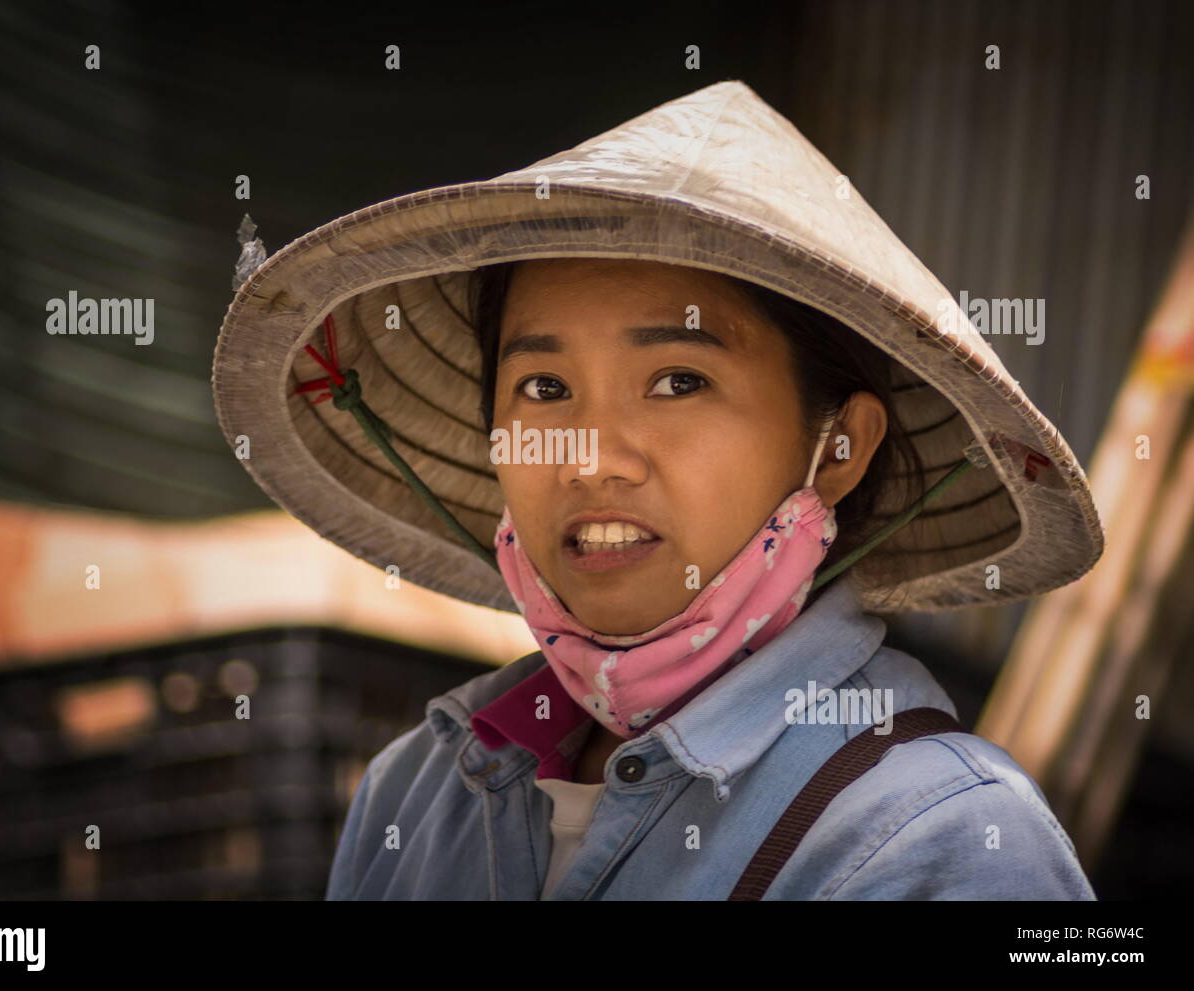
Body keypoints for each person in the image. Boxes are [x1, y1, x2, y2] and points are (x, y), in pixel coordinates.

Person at [211, 79, 1104, 899]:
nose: (592, 461)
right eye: (546, 390)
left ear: (838, 448)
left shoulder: (943, 837)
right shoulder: (414, 794)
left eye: (678, 381)